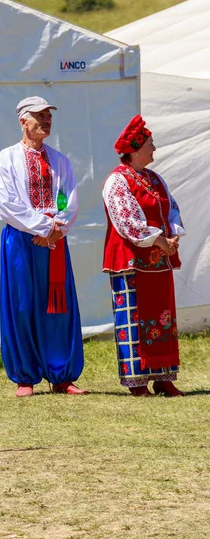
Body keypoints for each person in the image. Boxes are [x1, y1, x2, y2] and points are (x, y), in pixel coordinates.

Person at [0, 96, 87, 398]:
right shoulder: (5, 159)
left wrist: (56, 229)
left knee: (57, 304)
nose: (45, 121)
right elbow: (6, 203)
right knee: (22, 304)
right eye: (39, 116)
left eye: (48, 116)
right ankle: (25, 376)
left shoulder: (60, 160)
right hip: (22, 239)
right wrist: (43, 227)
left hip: (54, 241)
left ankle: (61, 375)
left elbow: (69, 199)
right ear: (23, 121)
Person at [102, 115, 185, 397]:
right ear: (136, 149)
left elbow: (171, 209)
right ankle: (137, 382)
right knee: (135, 318)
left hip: (158, 262)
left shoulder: (154, 178)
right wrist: (159, 240)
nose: (154, 148)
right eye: (150, 143)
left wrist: (173, 235)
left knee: (163, 318)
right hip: (130, 262)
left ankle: (163, 376)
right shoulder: (117, 181)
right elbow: (127, 221)